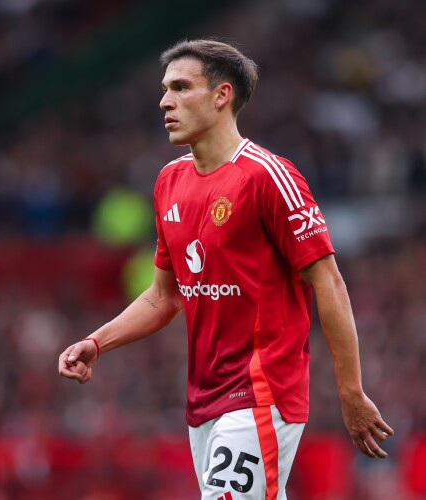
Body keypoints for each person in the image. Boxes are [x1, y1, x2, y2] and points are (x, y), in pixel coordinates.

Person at [59, 39, 394, 499]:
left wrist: (351, 392)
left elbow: (328, 281)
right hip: (202, 401)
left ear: (222, 95)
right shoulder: (169, 182)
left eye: (181, 87)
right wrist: (98, 342)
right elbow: (164, 296)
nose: (165, 101)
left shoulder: (268, 176)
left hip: (261, 393)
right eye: (165, 89)